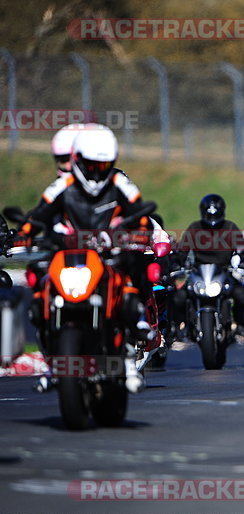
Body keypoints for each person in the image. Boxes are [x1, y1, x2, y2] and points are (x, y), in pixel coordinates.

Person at [17, 125, 162, 392]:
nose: (97, 171)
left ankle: (137, 328)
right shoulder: (63, 184)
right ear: (78, 160)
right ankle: (51, 347)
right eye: (92, 164)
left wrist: (140, 233)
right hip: (70, 253)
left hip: (108, 254)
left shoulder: (120, 183)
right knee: (41, 279)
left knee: (133, 268)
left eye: (104, 164)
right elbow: (39, 213)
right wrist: (22, 234)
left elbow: (140, 212)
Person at [173, 194, 244, 333]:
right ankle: (179, 327)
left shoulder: (230, 227)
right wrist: (178, 263)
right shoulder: (195, 227)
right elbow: (182, 250)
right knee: (179, 298)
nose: (212, 219)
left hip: (223, 271)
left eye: (216, 215)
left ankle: (240, 324)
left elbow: (243, 248)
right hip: (198, 272)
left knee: (241, 295)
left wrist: (243, 261)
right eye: (209, 215)